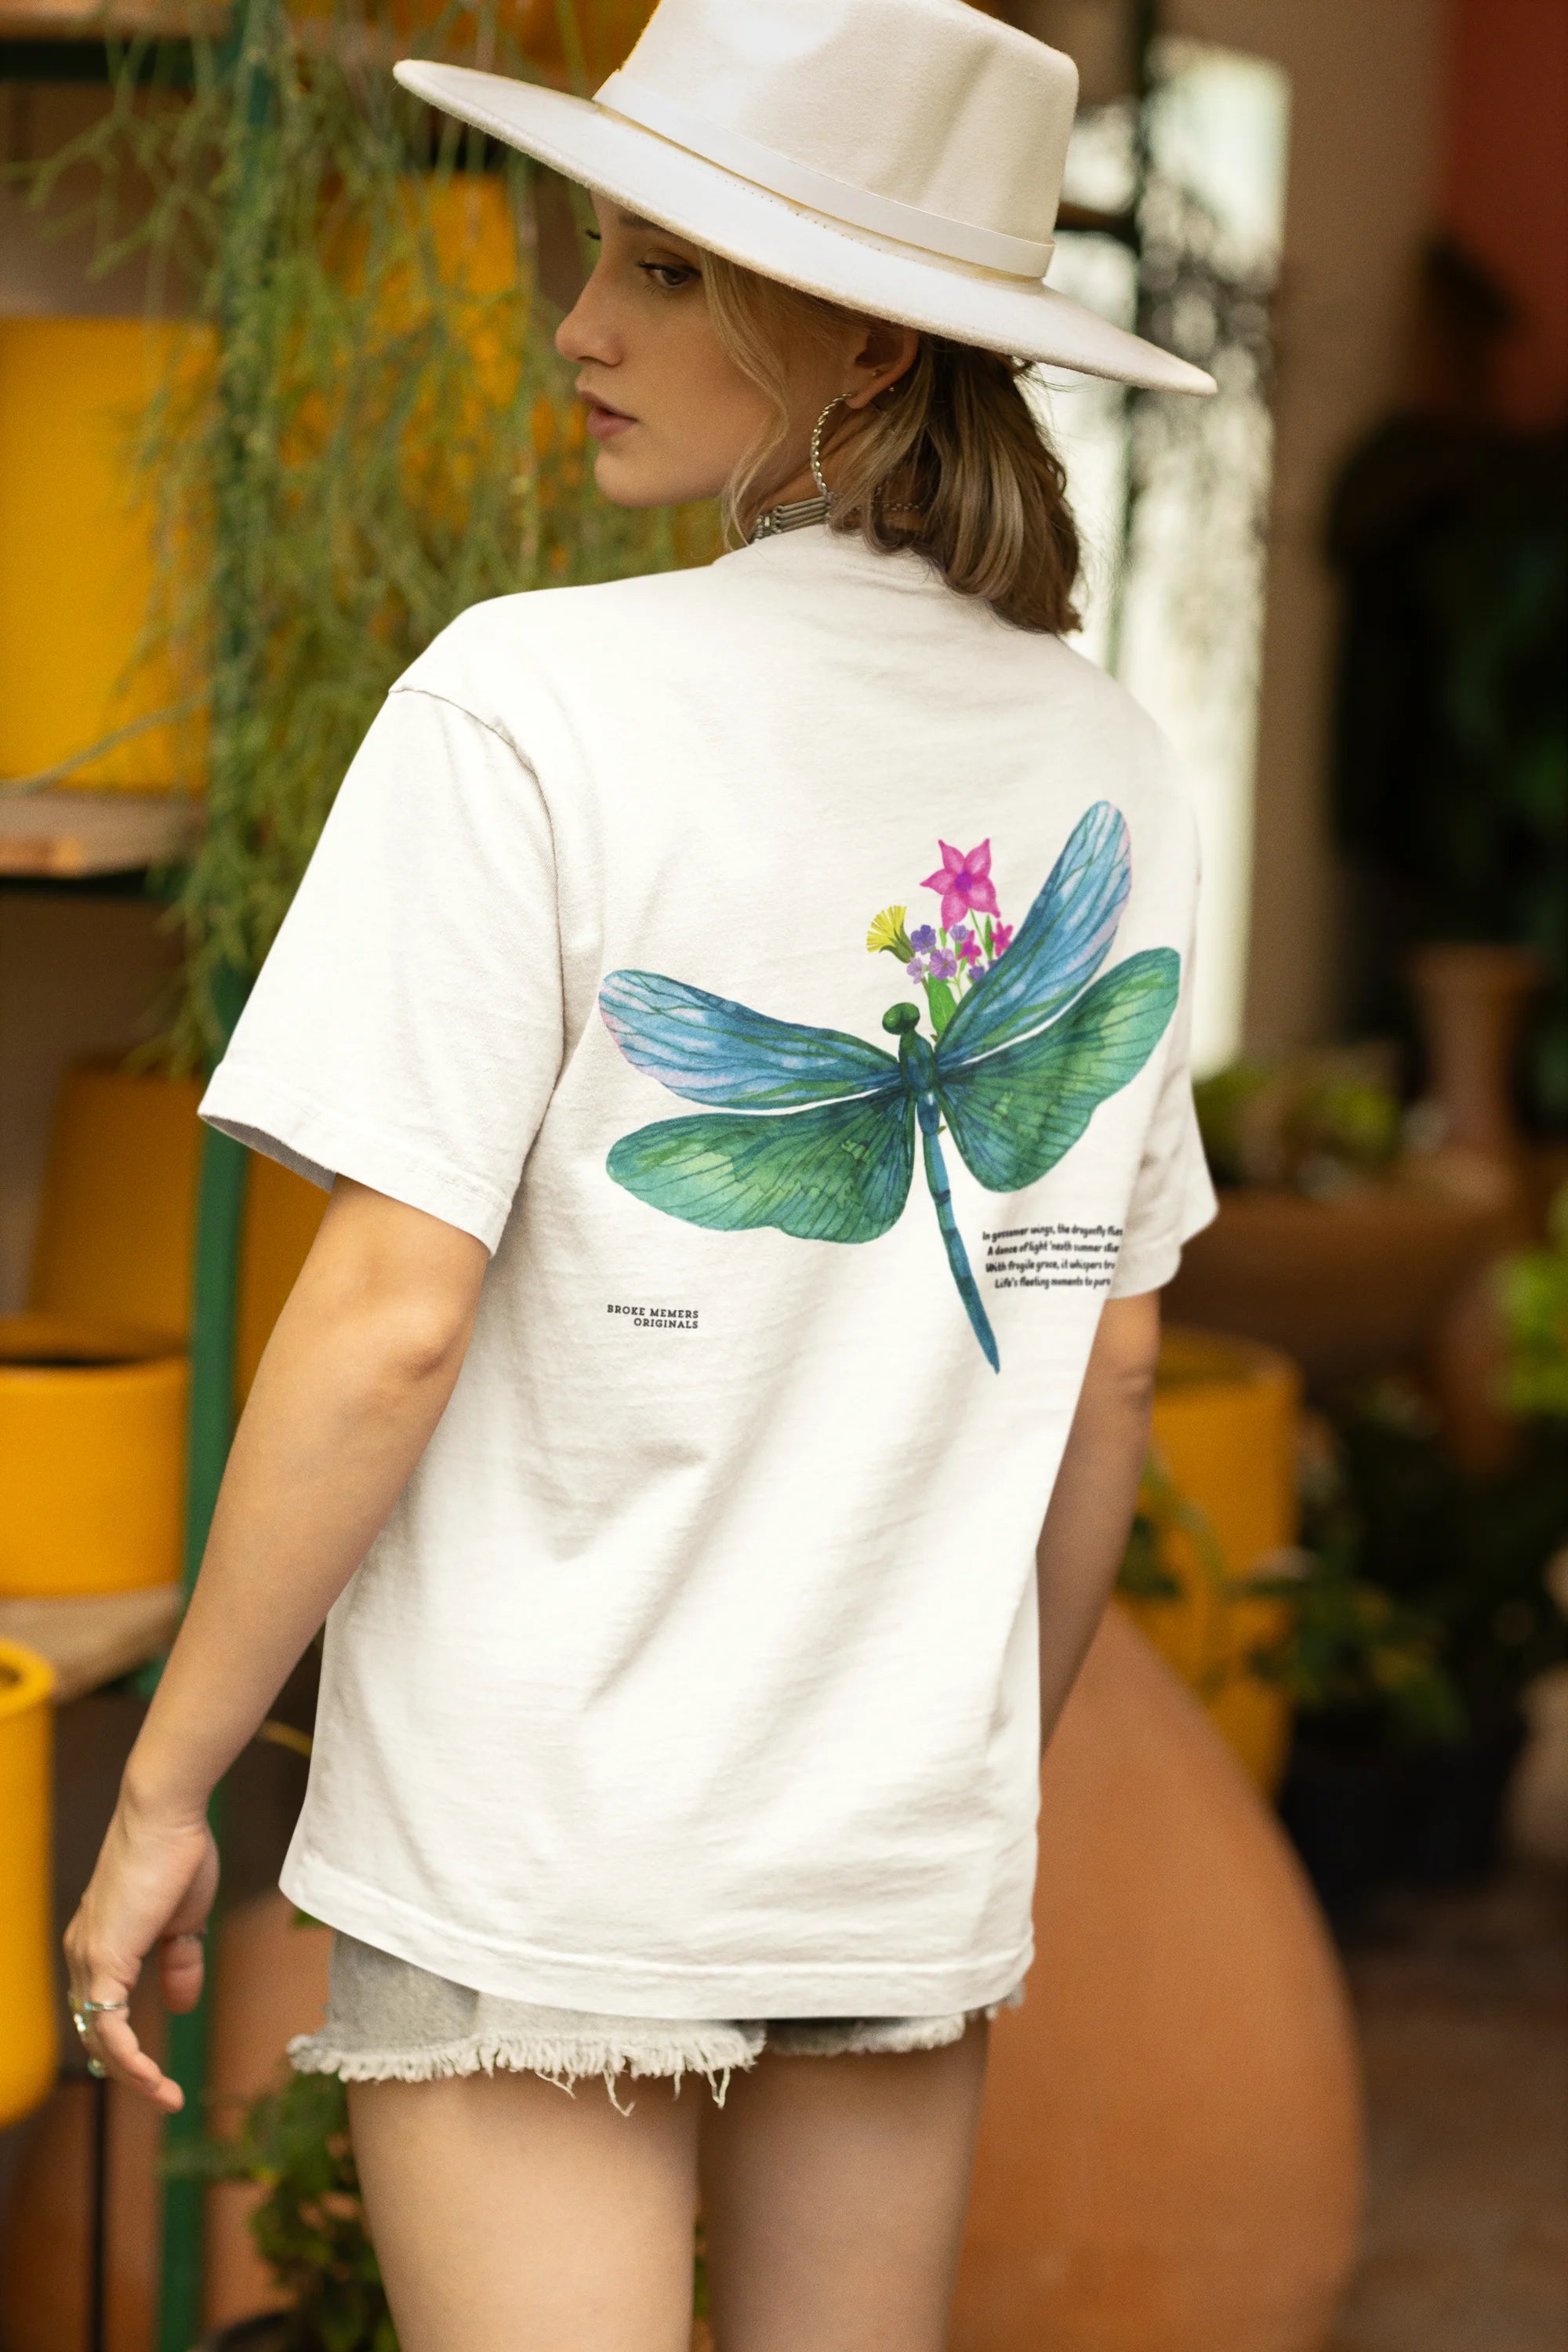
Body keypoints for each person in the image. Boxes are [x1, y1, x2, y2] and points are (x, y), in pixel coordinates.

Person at [65, 3, 1216, 2345]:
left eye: (672, 273)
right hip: (880, 1837)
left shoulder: (529, 701)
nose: (581, 327)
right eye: (602, 256)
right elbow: (1107, 1367)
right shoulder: (1114, 762)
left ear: (874, 338)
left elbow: (392, 1314)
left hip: (539, 1836)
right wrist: (949, 1747)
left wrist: (172, 1781)